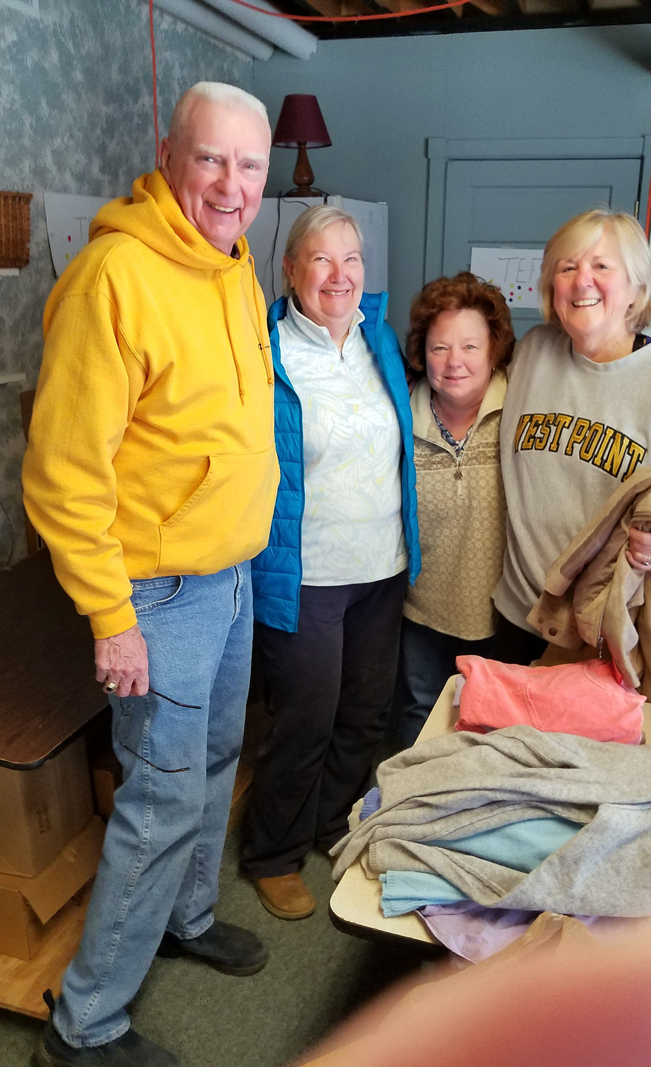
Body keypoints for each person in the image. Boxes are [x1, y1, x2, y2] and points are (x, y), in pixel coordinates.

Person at [23, 82, 277, 1067]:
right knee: (160, 798)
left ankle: (184, 914)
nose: (231, 184)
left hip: (230, 577)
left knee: (215, 766)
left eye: (248, 165)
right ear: (168, 154)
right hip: (160, 596)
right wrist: (110, 618)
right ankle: (82, 1021)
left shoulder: (233, 266)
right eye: (211, 158)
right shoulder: (112, 277)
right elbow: (63, 472)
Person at [241, 205, 420, 920]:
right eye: (321, 259)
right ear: (290, 270)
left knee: (364, 709)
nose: (339, 275)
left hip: (382, 562)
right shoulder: (267, 348)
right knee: (307, 714)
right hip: (306, 569)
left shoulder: (379, 339)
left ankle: (330, 822)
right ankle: (271, 853)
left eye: (351, 260)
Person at [493, 207, 651, 665]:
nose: (581, 281)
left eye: (602, 266)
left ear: (637, 287)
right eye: (567, 267)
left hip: (608, 633)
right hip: (517, 616)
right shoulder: (532, 352)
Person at [390, 272, 514, 748]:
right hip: (422, 606)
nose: (454, 362)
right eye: (440, 348)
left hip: (503, 606)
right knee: (420, 711)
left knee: (495, 724)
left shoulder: (523, 408)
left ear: (494, 351)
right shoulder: (399, 412)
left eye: (470, 347)